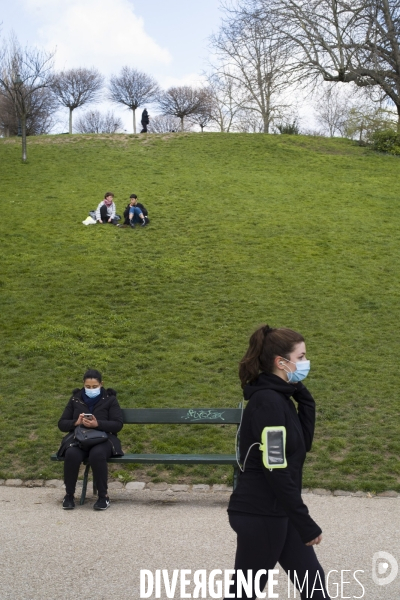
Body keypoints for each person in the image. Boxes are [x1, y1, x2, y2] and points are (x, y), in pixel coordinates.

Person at [224, 325, 330, 600]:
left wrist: (302, 393)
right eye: (302, 356)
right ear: (281, 362)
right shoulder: (268, 403)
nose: (306, 362)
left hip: (279, 509)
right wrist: (304, 520)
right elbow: (275, 466)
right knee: (243, 595)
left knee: (315, 587)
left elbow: (302, 445)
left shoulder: (282, 398)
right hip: (261, 513)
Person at [57, 369, 124, 511]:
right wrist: (76, 422)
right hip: (80, 438)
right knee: (71, 454)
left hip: (104, 438)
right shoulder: (75, 399)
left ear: (101, 384)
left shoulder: (110, 399)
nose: (91, 389)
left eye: (94, 386)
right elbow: (62, 423)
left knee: (97, 454)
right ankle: (69, 495)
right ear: (83, 384)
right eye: (88, 386)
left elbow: (118, 424)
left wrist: (97, 424)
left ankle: (103, 496)